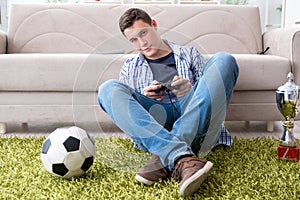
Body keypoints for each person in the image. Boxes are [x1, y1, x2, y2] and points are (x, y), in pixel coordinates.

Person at [98, 8, 239, 197]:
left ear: (154, 25)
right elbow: (130, 113)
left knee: (224, 60)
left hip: (194, 118)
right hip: (156, 127)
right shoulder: (130, 68)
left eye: (143, 33)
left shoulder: (189, 54)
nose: (142, 43)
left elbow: (209, 95)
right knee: (108, 89)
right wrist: (146, 97)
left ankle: (167, 155)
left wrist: (189, 91)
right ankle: (180, 155)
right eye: (133, 40)